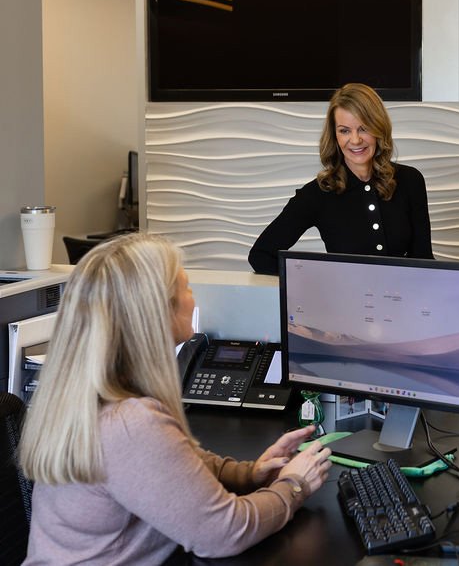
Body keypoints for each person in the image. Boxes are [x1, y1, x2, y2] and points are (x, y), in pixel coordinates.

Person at [19, 234, 333, 565]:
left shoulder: (97, 395)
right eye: (186, 288)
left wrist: (250, 474)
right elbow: (226, 532)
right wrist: (294, 486)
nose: (193, 299)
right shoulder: (129, 422)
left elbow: (173, 461)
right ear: (157, 311)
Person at [248, 83, 432, 274]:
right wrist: (321, 282)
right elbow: (260, 256)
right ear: (335, 135)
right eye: (344, 130)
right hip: (344, 303)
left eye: (364, 128)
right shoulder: (318, 193)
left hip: (402, 301)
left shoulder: (410, 180)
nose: (355, 140)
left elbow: (424, 260)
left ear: (379, 128)